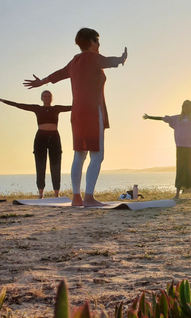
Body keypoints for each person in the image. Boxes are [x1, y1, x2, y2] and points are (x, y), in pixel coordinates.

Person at [23, 28, 127, 207]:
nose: (99, 44)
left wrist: (42, 82)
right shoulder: (93, 58)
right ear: (92, 42)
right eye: (97, 41)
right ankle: (89, 198)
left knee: (79, 154)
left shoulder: (74, 61)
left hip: (77, 112)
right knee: (97, 155)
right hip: (93, 111)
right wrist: (122, 59)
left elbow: (58, 74)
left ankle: (76, 197)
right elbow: (109, 61)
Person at [0, 91, 71, 198]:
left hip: (54, 137)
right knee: (40, 165)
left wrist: (89, 100)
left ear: (52, 98)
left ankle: (56, 194)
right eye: (45, 96)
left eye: (49, 96)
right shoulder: (38, 108)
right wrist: (3, 100)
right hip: (41, 138)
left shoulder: (56, 108)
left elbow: (72, 107)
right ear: (41, 98)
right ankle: (40, 193)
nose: (47, 98)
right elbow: (20, 105)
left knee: (56, 165)